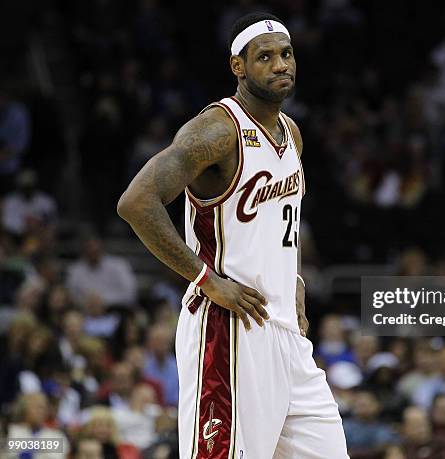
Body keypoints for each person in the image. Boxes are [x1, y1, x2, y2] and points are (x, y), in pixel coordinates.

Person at [117, 11, 348, 459]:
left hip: (286, 335)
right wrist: (207, 280)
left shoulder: (291, 133)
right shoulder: (218, 130)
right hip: (231, 329)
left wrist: (294, 282)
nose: (281, 64)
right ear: (238, 67)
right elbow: (136, 202)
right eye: (265, 57)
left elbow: (283, 220)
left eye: (286, 54)